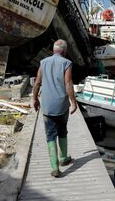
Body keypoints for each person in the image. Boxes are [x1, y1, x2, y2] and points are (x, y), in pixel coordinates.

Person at [32, 39, 78, 177]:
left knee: (50, 135)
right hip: (62, 105)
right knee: (62, 130)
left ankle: (54, 167)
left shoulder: (43, 62)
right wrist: (73, 102)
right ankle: (63, 158)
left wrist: (34, 98)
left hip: (46, 105)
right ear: (64, 51)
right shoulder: (66, 63)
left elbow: (37, 82)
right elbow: (68, 83)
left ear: (53, 50)